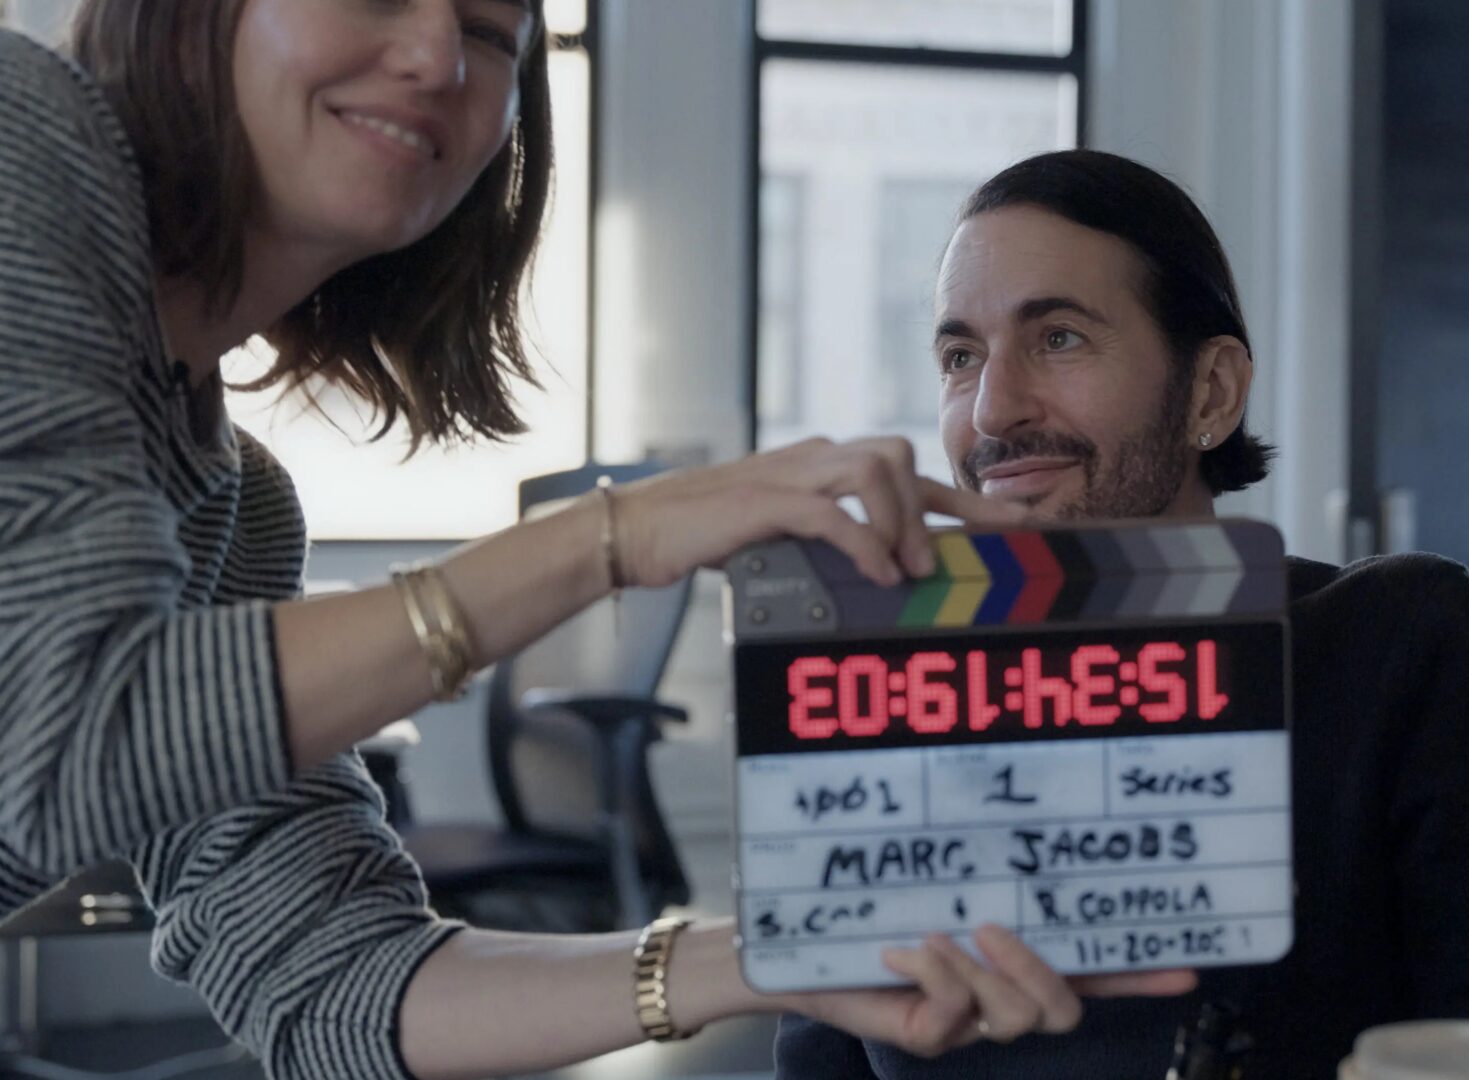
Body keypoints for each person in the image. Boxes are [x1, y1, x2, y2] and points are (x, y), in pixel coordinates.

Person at [0, 9, 1195, 1079]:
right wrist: (614, 536)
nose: (436, 56)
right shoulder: (22, 131)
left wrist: (776, 955)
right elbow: (65, 742)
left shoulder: (236, 512)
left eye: (492, 32)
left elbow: (329, 989)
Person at [773, 149, 1469, 1078]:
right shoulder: (869, 691)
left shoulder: (1400, 640)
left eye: (1059, 338)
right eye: (961, 357)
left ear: (1212, 391)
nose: (993, 409)